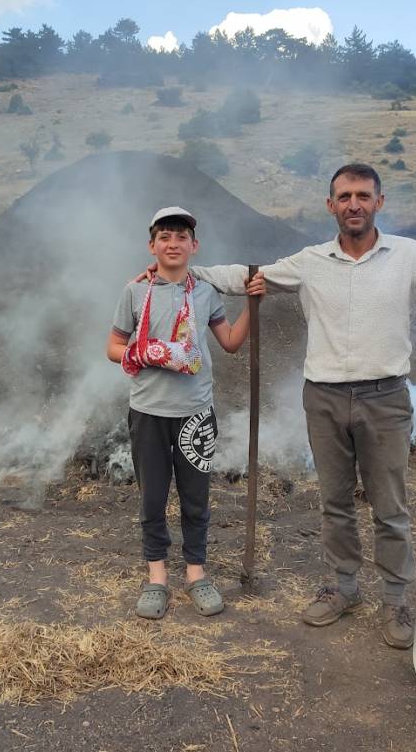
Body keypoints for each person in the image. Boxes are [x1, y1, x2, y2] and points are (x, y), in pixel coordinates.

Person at [147, 164, 416, 648]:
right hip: (323, 398)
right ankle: (341, 588)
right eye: (344, 196)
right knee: (335, 502)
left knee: (390, 507)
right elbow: (246, 277)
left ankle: (396, 600)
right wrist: (177, 271)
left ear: (379, 202)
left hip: (385, 398)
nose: (353, 204)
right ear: (331, 206)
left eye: (363, 195)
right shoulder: (310, 261)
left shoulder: (409, 257)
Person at [108, 207, 251, 620]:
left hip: (195, 414)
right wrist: (147, 352)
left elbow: (230, 343)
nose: (173, 244)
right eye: (165, 237)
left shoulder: (205, 292)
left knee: (195, 497)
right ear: (152, 246)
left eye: (181, 237)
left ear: (194, 245)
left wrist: (253, 308)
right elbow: (112, 348)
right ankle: (157, 578)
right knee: (152, 498)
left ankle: (195, 572)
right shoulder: (134, 293)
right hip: (148, 412)